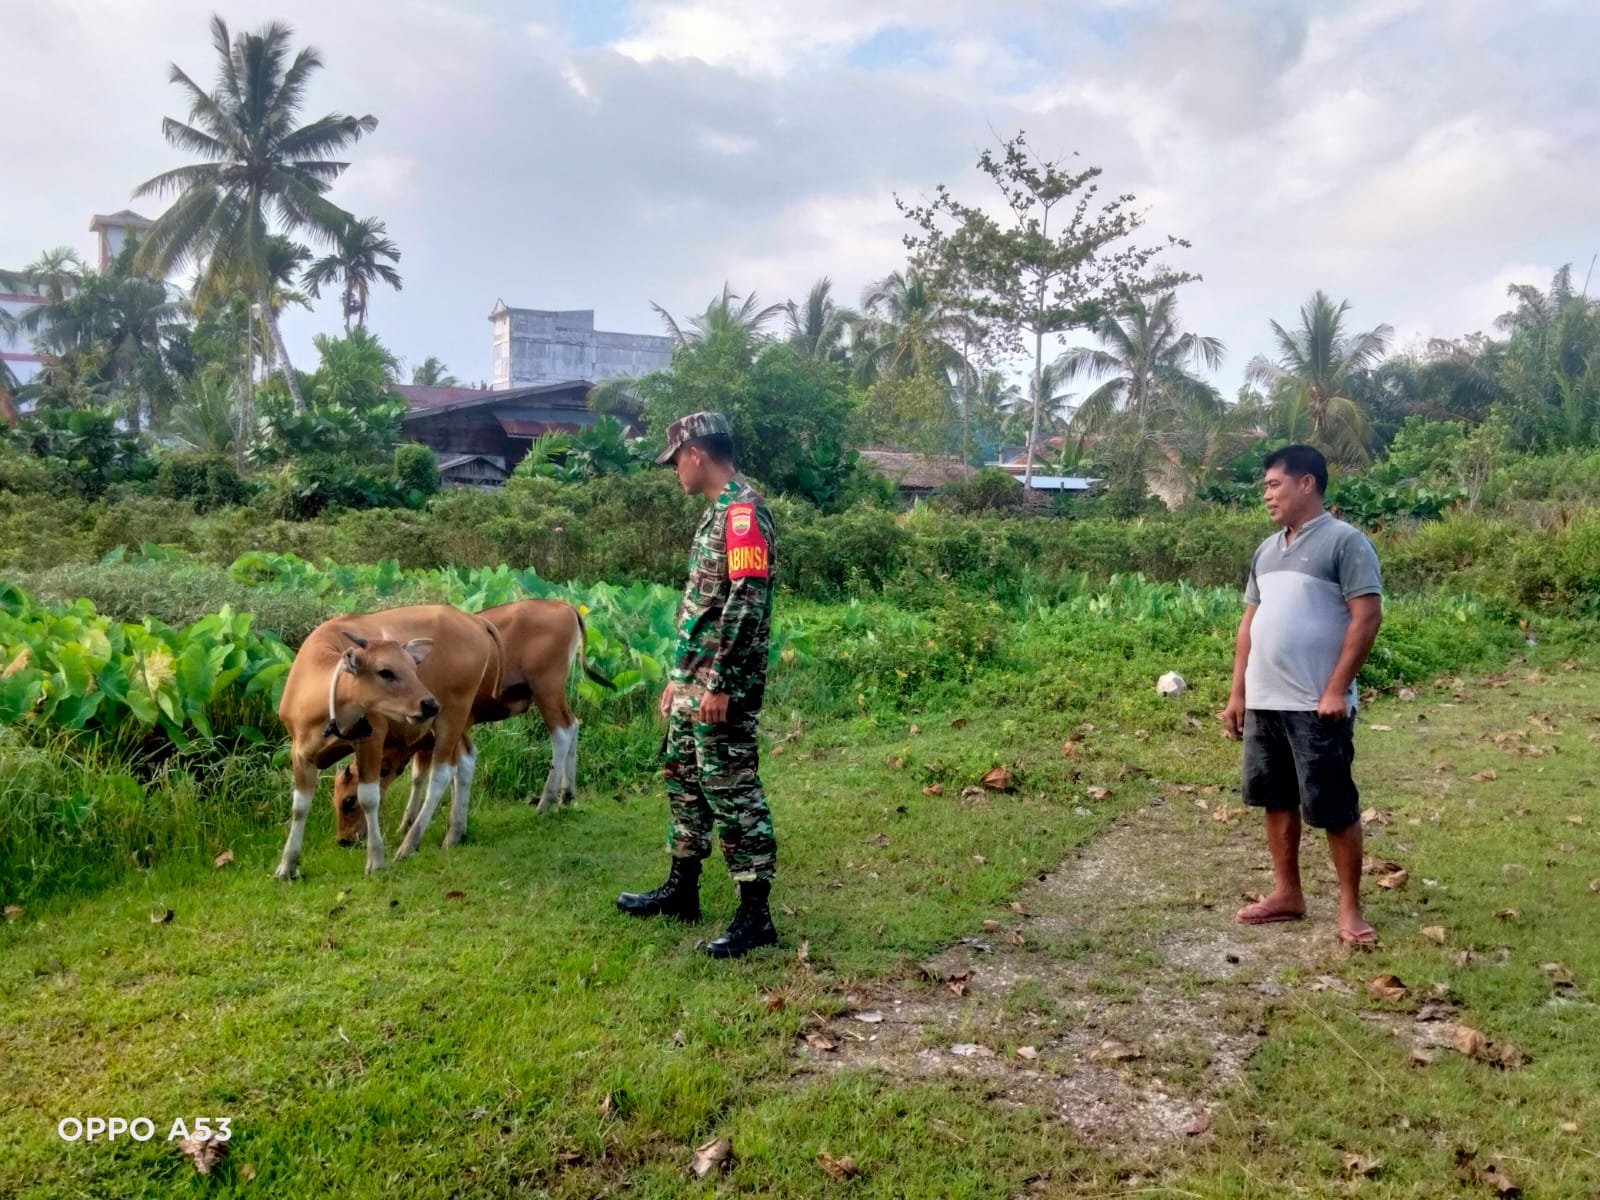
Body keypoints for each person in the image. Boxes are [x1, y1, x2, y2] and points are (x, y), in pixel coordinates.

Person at [615, 411, 780, 958]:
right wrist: (677, 678)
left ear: (696, 454)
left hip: (721, 687)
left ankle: (755, 915)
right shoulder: (716, 517)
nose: (674, 473)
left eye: (674, 462)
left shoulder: (743, 515)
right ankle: (681, 890)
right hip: (695, 682)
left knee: (730, 789)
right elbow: (702, 611)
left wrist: (720, 683)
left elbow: (745, 603)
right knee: (684, 777)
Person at [1222, 444, 1384, 947]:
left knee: (1333, 805)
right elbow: (1249, 624)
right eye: (1266, 487)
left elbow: (1367, 615)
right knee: (1276, 799)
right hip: (1265, 699)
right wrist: (1238, 693)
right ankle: (1287, 893)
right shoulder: (1267, 550)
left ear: (1307, 483)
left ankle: (1350, 908)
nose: (1267, 495)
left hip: (1317, 702)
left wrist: (1336, 687)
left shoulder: (1345, 542)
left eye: (1275, 484)